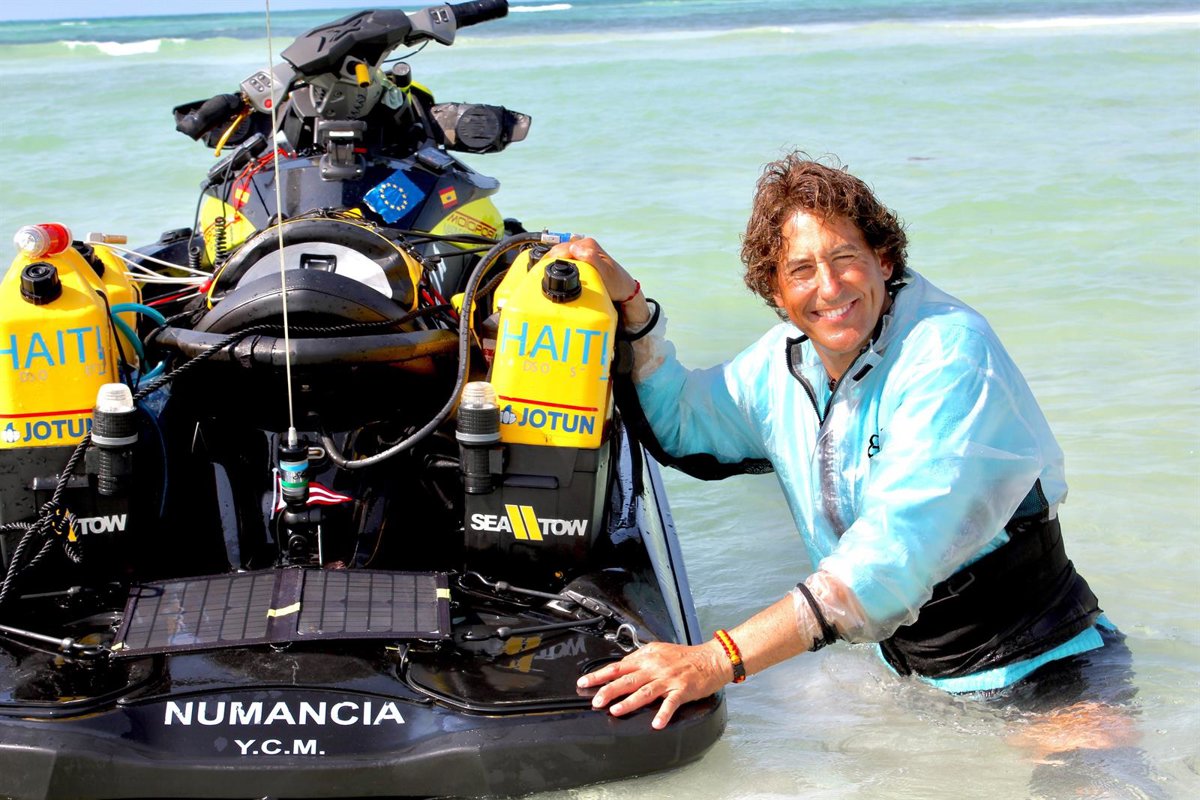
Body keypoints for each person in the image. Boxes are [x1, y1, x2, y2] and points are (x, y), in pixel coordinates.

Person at [543, 154, 1129, 747]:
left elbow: (887, 564)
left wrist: (716, 659)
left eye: (845, 258)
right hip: (908, 675)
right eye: (801, 270)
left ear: (884, 259)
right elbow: (684, 424)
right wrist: (631, 306)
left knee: (1094, 784)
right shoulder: (783, 360)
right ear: (775, 290)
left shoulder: (949, 354)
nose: (828, 288)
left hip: (1043, 672)